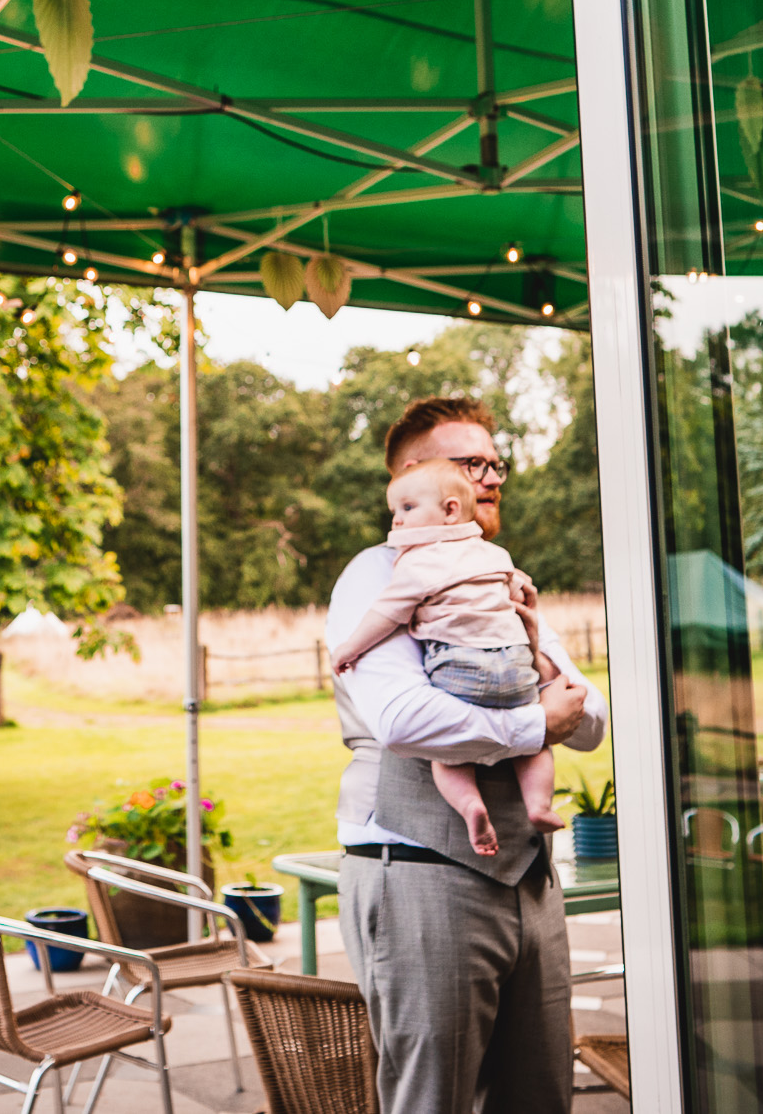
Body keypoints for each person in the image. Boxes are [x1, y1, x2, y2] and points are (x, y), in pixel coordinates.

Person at [328, 395, 607, 1114]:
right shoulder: (378, 574)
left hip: (531, 879)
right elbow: (401, 717)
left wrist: (554, 708)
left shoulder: (498, 575)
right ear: (417, 475)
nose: (491, 476)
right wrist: (535, 722)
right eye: (470, 461)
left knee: (543, 1096)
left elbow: (590, 715)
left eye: (495, 461)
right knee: (434, 1102)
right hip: (421, 870)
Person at [329, 457, 580, 855]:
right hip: (516, 668)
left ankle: (469, 806)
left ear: (449, 509)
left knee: (445, 756)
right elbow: (572, 703)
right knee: (539, 746)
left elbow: (388, 612)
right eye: (396, 510)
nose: (396, 521)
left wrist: (350, 648)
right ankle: (539, 804)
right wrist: (538, 719)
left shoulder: (416, 561)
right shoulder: (495, 556)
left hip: (462, 668)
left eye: (406, 508)